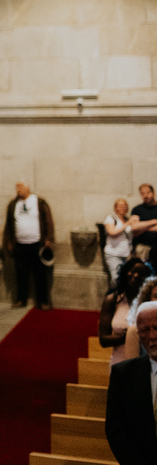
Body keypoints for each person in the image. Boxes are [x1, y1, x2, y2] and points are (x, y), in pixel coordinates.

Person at [105, 301, 157, 465]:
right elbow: (116, 430)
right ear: (139, 336)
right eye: (145, 330)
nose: (153, 336)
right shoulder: (123, 375)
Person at [4, 180, 54, 309]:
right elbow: (9, 225)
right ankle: (21, 299)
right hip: (20, 245)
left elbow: (48, 221)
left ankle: (43, 301)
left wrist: (49, 239)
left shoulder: (39, 201)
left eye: (20, 187)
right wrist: (9, 241)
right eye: (16, 187)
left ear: (28, 187)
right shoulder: (13, 204)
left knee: (40, 275)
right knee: (21, 274)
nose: (18, 189)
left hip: (37, 244)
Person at [99, 258, 152, 365]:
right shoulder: (112, 300)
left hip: (145, 363)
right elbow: (103, 340)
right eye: (133, 271)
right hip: (119, 362)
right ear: (125, 272)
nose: (136, 276)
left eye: (141, 274)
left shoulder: (148, 301)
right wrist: (128, 337)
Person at [104, 198, 134, 288]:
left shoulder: (127, 219)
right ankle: (114, 298)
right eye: (120, 205)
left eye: (125, 205)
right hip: (114, 255)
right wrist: (127, 223)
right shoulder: (111, 218)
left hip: (126, 255)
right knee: (116, 278)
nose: (123, 207)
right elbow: (112, 232)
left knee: (126, 279)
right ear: (115, 207)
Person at [129, 184, 157, 263]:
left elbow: (138, 227)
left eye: (148, 193)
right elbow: (134, 227)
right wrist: (154, 222)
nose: (145, 196)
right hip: (142, 247)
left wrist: (142, 227)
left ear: (153, 193)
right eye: (143, 193)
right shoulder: (137, 210)